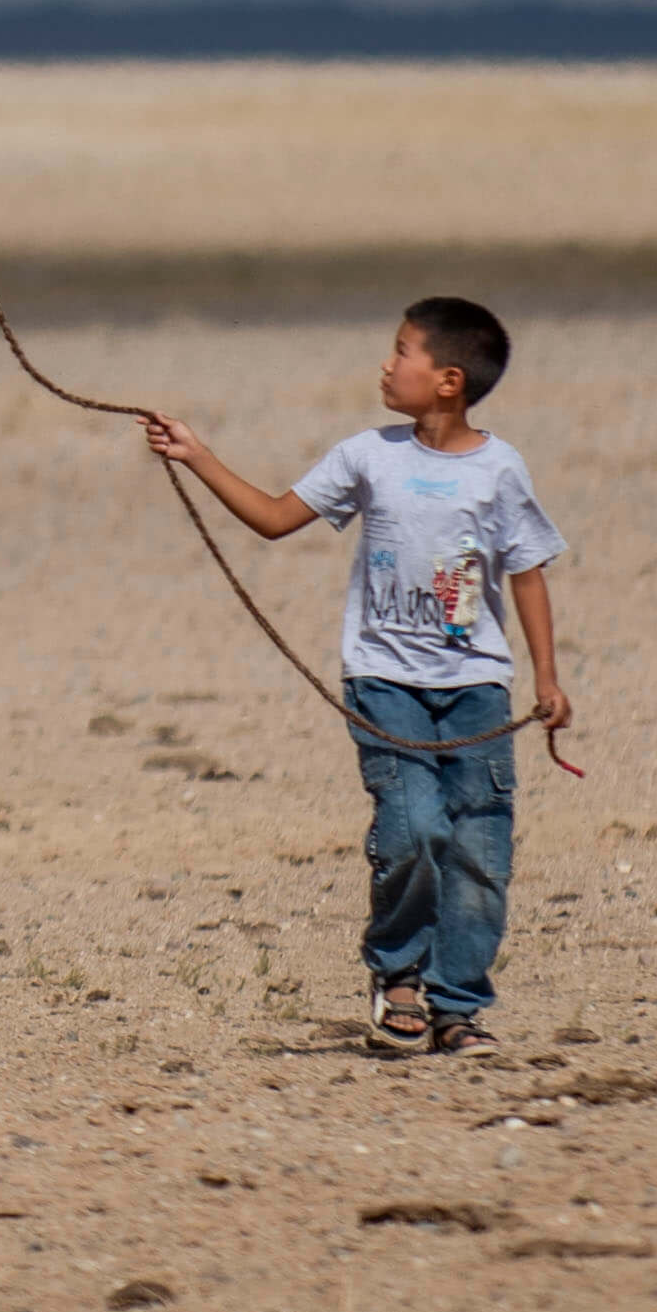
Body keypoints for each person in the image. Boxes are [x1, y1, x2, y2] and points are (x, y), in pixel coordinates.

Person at [136, 299, 571, 1054]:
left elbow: (527, 571)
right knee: (412, 830)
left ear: (448, 380)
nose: (386, 364)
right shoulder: (366, 456)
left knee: (480, 850)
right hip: (383, 683)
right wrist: (195, 455)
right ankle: (397, 976)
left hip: (477, 687)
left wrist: (548, 680)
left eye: (402, 351)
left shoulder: (500, 469)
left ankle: (457, 1006)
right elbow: (274, 518)